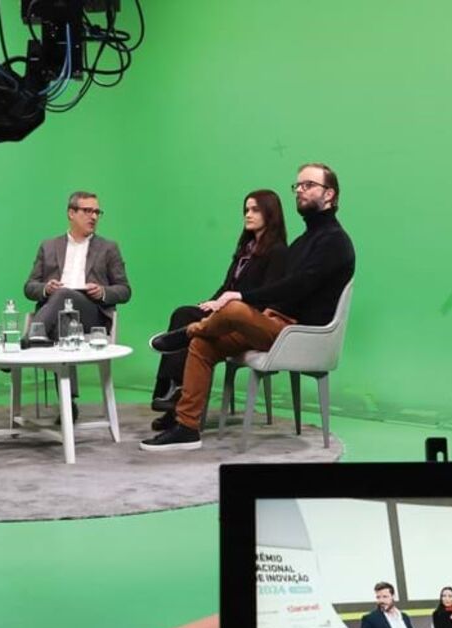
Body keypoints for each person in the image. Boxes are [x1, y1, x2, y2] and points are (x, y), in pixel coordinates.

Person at [141, 163, 355, 451]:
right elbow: (285, 289)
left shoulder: (335, 241)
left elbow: (298, 286)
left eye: (308, 185)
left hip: (300, 334)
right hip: (276, 323)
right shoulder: (303, 241)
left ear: (329, 194)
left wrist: (243, 297)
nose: (300, 191)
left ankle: (188, 332)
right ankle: (187, 427)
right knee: (204, 344)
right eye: (298, 186)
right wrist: (256, 309)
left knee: (233, 308)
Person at [148, 190, 288, 432]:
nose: (248, 214)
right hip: (225, 312)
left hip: (246, 319)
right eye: (246, 210)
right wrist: (211, 303)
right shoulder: (246, 249)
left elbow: (268, 296)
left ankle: (173, 395)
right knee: (184, 313)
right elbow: (227, 287)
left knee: (186, 319)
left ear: (270, 214)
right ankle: (173, 395)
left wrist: (222, 306)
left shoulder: (278, 252)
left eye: (255, 210)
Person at [24, 190, 131, 418]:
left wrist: (102, 291)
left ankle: (29, 339)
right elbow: (29, 287)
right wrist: (46, 288)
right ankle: (68, 403)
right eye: (87, 211)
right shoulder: (48, 246)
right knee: (62, 312)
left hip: (91, 314)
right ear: (71, 213)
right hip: (56, 316)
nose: (94, 216)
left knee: (65, 296)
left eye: (97, 212)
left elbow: (124, 290)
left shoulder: (108, 248)